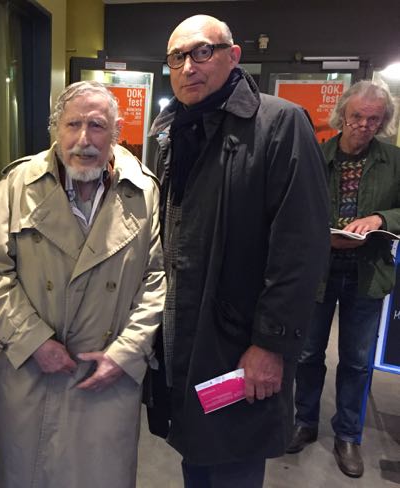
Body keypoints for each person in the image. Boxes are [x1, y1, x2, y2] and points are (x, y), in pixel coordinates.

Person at [146, 15, 330, 487]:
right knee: (197, 458)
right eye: (177, 57)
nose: (189, 66)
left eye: (202, 52)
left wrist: (272, 346)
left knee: (232, 463)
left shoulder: (279, 123)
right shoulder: (173, 134)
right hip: (188, 342)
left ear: (233, 55)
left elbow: (301, 249)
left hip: (241, 348)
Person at [0, 80, 166, 487]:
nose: (83, 139)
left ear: (115, 133)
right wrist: (34, 341)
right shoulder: (18, 185)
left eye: (96, 126)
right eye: (73, 124)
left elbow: (156, 278)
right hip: (32, 373)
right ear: (56, 130)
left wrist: (126, 354)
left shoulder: (143, 191)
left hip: (106, 377)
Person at [288, 81, 400, 478]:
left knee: (356, 359)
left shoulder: (394, 160)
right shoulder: (318, 156)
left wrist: (381, 219)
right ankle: (304, 421)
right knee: (307, 354)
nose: (364, 125)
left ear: (383, 121)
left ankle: (349, 435)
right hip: (319, 269)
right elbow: (294, 209)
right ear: (342, 116)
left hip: (368, 271)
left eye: (374, 119)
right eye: (357, 117)